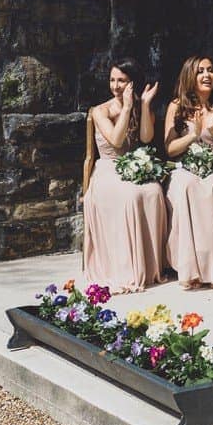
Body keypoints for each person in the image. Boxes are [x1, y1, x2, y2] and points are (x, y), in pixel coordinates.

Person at [83, 58, 166, 293]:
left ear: (132, 83)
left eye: (122, 80)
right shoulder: (101, 110)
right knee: (130, 196)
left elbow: (147, 138)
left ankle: (149, 266)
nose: (116, 86)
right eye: (112, 80)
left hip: (132, 164)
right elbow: (117, 141)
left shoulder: (139, 106)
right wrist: (127, 108)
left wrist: (145, 105)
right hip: (108, 168)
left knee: (153, 191)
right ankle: (125, 266)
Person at [164, 55, 213, 289]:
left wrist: (212, 130)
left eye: (210, 70)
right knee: (187, 186)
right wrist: (193, 134)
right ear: (190, 75)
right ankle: (192, 270)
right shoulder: (177, 106)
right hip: (186, 164)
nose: (207, 75)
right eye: (200, 71)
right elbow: (170, 149)